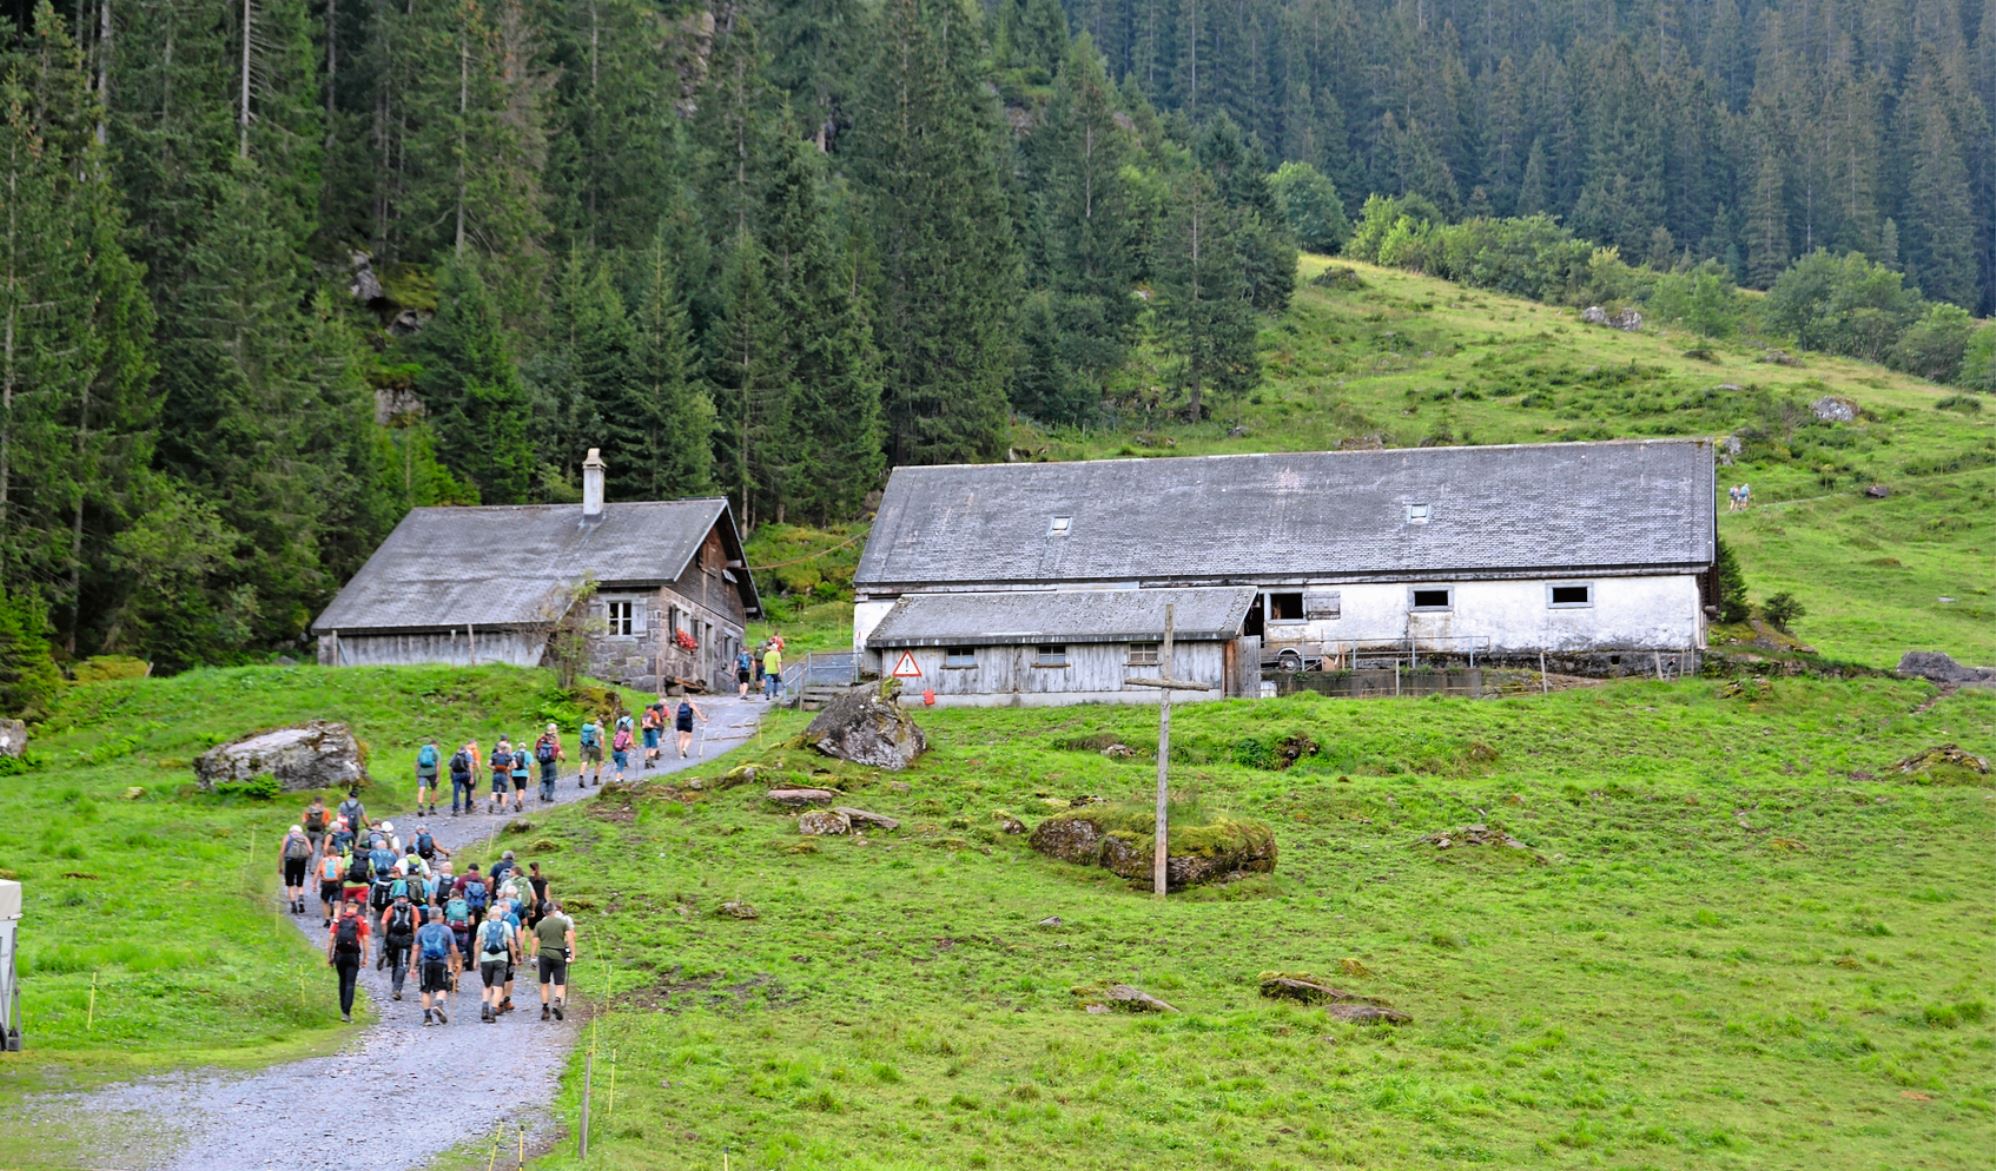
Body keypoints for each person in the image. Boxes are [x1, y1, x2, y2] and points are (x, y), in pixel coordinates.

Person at [530, 900, 576, 1022]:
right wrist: (572, 954)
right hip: (559, 955)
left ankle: (545, 1008)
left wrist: (533, 957)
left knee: (544, 983)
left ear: (544, 912)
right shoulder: (562, 922)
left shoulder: (539, 924)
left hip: (544, 954)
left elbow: (535, 941)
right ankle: (556, 1001)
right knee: (559, 983)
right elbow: (570, 938)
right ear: (555, 911)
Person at [415, 898, 458, 1026]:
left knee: (425, 990)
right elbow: (453, 948)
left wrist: (412, 966)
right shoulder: (446, 930)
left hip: (425, 962)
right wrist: (455, 963)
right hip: (441, 962)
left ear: (428, 916)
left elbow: (415, 948)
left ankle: (427, 1018)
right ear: (441, 917)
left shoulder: (422, 930)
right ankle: (438, 1004)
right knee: (442, 988)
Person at [326, 899, 370, 1023]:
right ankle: (346, 1012)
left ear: (346, 906)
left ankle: (342, 1010)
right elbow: (366, 940)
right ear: (356, 907)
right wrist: (366, 957)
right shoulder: (361, 920)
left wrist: (329, 956)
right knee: (350, 983)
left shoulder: (338, 920)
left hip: (339, 955)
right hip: (353, 955)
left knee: (342, 982)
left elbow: (331, 939)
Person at [474, 906, 520, 1023]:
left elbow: (478, 942)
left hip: (486, 958)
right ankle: (493, 1012)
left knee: (487, 985)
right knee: (498, 987)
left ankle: (484, 1007)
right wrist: (514, 958)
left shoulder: (483, 925)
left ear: (489, 914)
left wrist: (476, 959)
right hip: (501, 958)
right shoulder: (506, 925)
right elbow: (511, 943)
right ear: (501, 915)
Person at [379, 889, 419, 1001]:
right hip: (406, 939)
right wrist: (416, 940)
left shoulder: (391, 907)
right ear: (407, 899)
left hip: (392, 938)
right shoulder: (413, 909)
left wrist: (386, 935)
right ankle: (397, 989)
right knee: (402, 963)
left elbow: (383, 922)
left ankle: (394, 986)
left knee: (394, 962)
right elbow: (415, 926)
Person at [279, 824, 313, 914]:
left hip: (290, 861)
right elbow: (310, 851)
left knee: (290, 885)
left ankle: (293, 904)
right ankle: (301, 899)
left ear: (291, 830)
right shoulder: (304, 838)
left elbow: (282, 851)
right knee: (300, 883)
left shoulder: (287, 837)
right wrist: (306, 858)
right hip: (301, 862)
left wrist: (280, 865)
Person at [316, 848, 346, 927]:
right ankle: (336, 920)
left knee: (325, 901)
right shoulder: (340, 859)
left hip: (325, 883)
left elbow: (317, 872)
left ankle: (327, 920)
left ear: (327, 852)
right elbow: (344, 871)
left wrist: (314, 884)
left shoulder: (323, 860)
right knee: (338, 902)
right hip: (337, 883)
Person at [534, 723, 565, 800]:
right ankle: (549, 796)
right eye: (556, 729)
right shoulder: (555, 738)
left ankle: (542, 791)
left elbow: (536, 748)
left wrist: (537, 757)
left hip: (542, 762)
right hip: (551, 763)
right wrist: (563, 759)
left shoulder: (542, 737)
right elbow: (559, 752)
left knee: (544, 778)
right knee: (551, 779)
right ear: (554, 729)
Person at [415, 738, 442, 816]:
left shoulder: (422, 751)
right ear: (436, 745)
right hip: (433, 773)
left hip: (421, 773)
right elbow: (438, 765)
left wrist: (417, 775)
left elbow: (417, 764)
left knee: (422, 788)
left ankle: (420, 806)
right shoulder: (436, 752)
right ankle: (432, 808)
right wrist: (438, 776)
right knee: (434, 789)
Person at [448, 741, 476, 817]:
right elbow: (470, 766)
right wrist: (472, 777)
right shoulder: (468, 755)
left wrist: (451, 776)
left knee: (456, 793)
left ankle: (455, 809)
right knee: (468, 791)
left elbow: (450, 767)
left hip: (456, 775)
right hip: (466, 774)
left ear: (459, 749)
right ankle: (467, 808)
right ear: (465, 749)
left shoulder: (455, 755)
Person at [488, 738, 514, 815]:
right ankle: (503, 808)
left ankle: (492, 802)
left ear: (498, 747)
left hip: (496, 774)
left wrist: (494, 768)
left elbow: (488, 765)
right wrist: (508, 769)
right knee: (504, 793)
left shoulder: (494, 755)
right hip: (504, 775)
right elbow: (514, 765)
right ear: (506, 748)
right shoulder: (508, 756)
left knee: (494, 791)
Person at [509, 737, 532, 810]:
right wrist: (531, 775)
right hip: (523, 773)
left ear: (518, 747)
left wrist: (510, 775)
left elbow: (510, 765)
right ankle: (518, 801)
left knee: (517, 789)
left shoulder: (513, 754)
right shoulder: (528, 754)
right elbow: (531, 765)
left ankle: (520, 804)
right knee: (522, 789)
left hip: (514, 773)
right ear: (525, 747)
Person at [640, 699, 664, 770]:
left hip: (645, 731)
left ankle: (646, 761)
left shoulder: (643, 714)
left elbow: (641, 724)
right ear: (651, 708)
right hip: (652, 730)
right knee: (654, 747)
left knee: (648, 748)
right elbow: (658, 722)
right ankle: (651, 760)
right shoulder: (654, 713)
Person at [610, 718, 634, 783]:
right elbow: (631, 743)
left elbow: (613, 742)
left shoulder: (617, 734)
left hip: (615, 752)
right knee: (620, 767)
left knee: (618, 765)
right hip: (622, 752)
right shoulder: (627, 735)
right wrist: (634, 747)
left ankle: (621, 778)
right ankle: (617, 780)